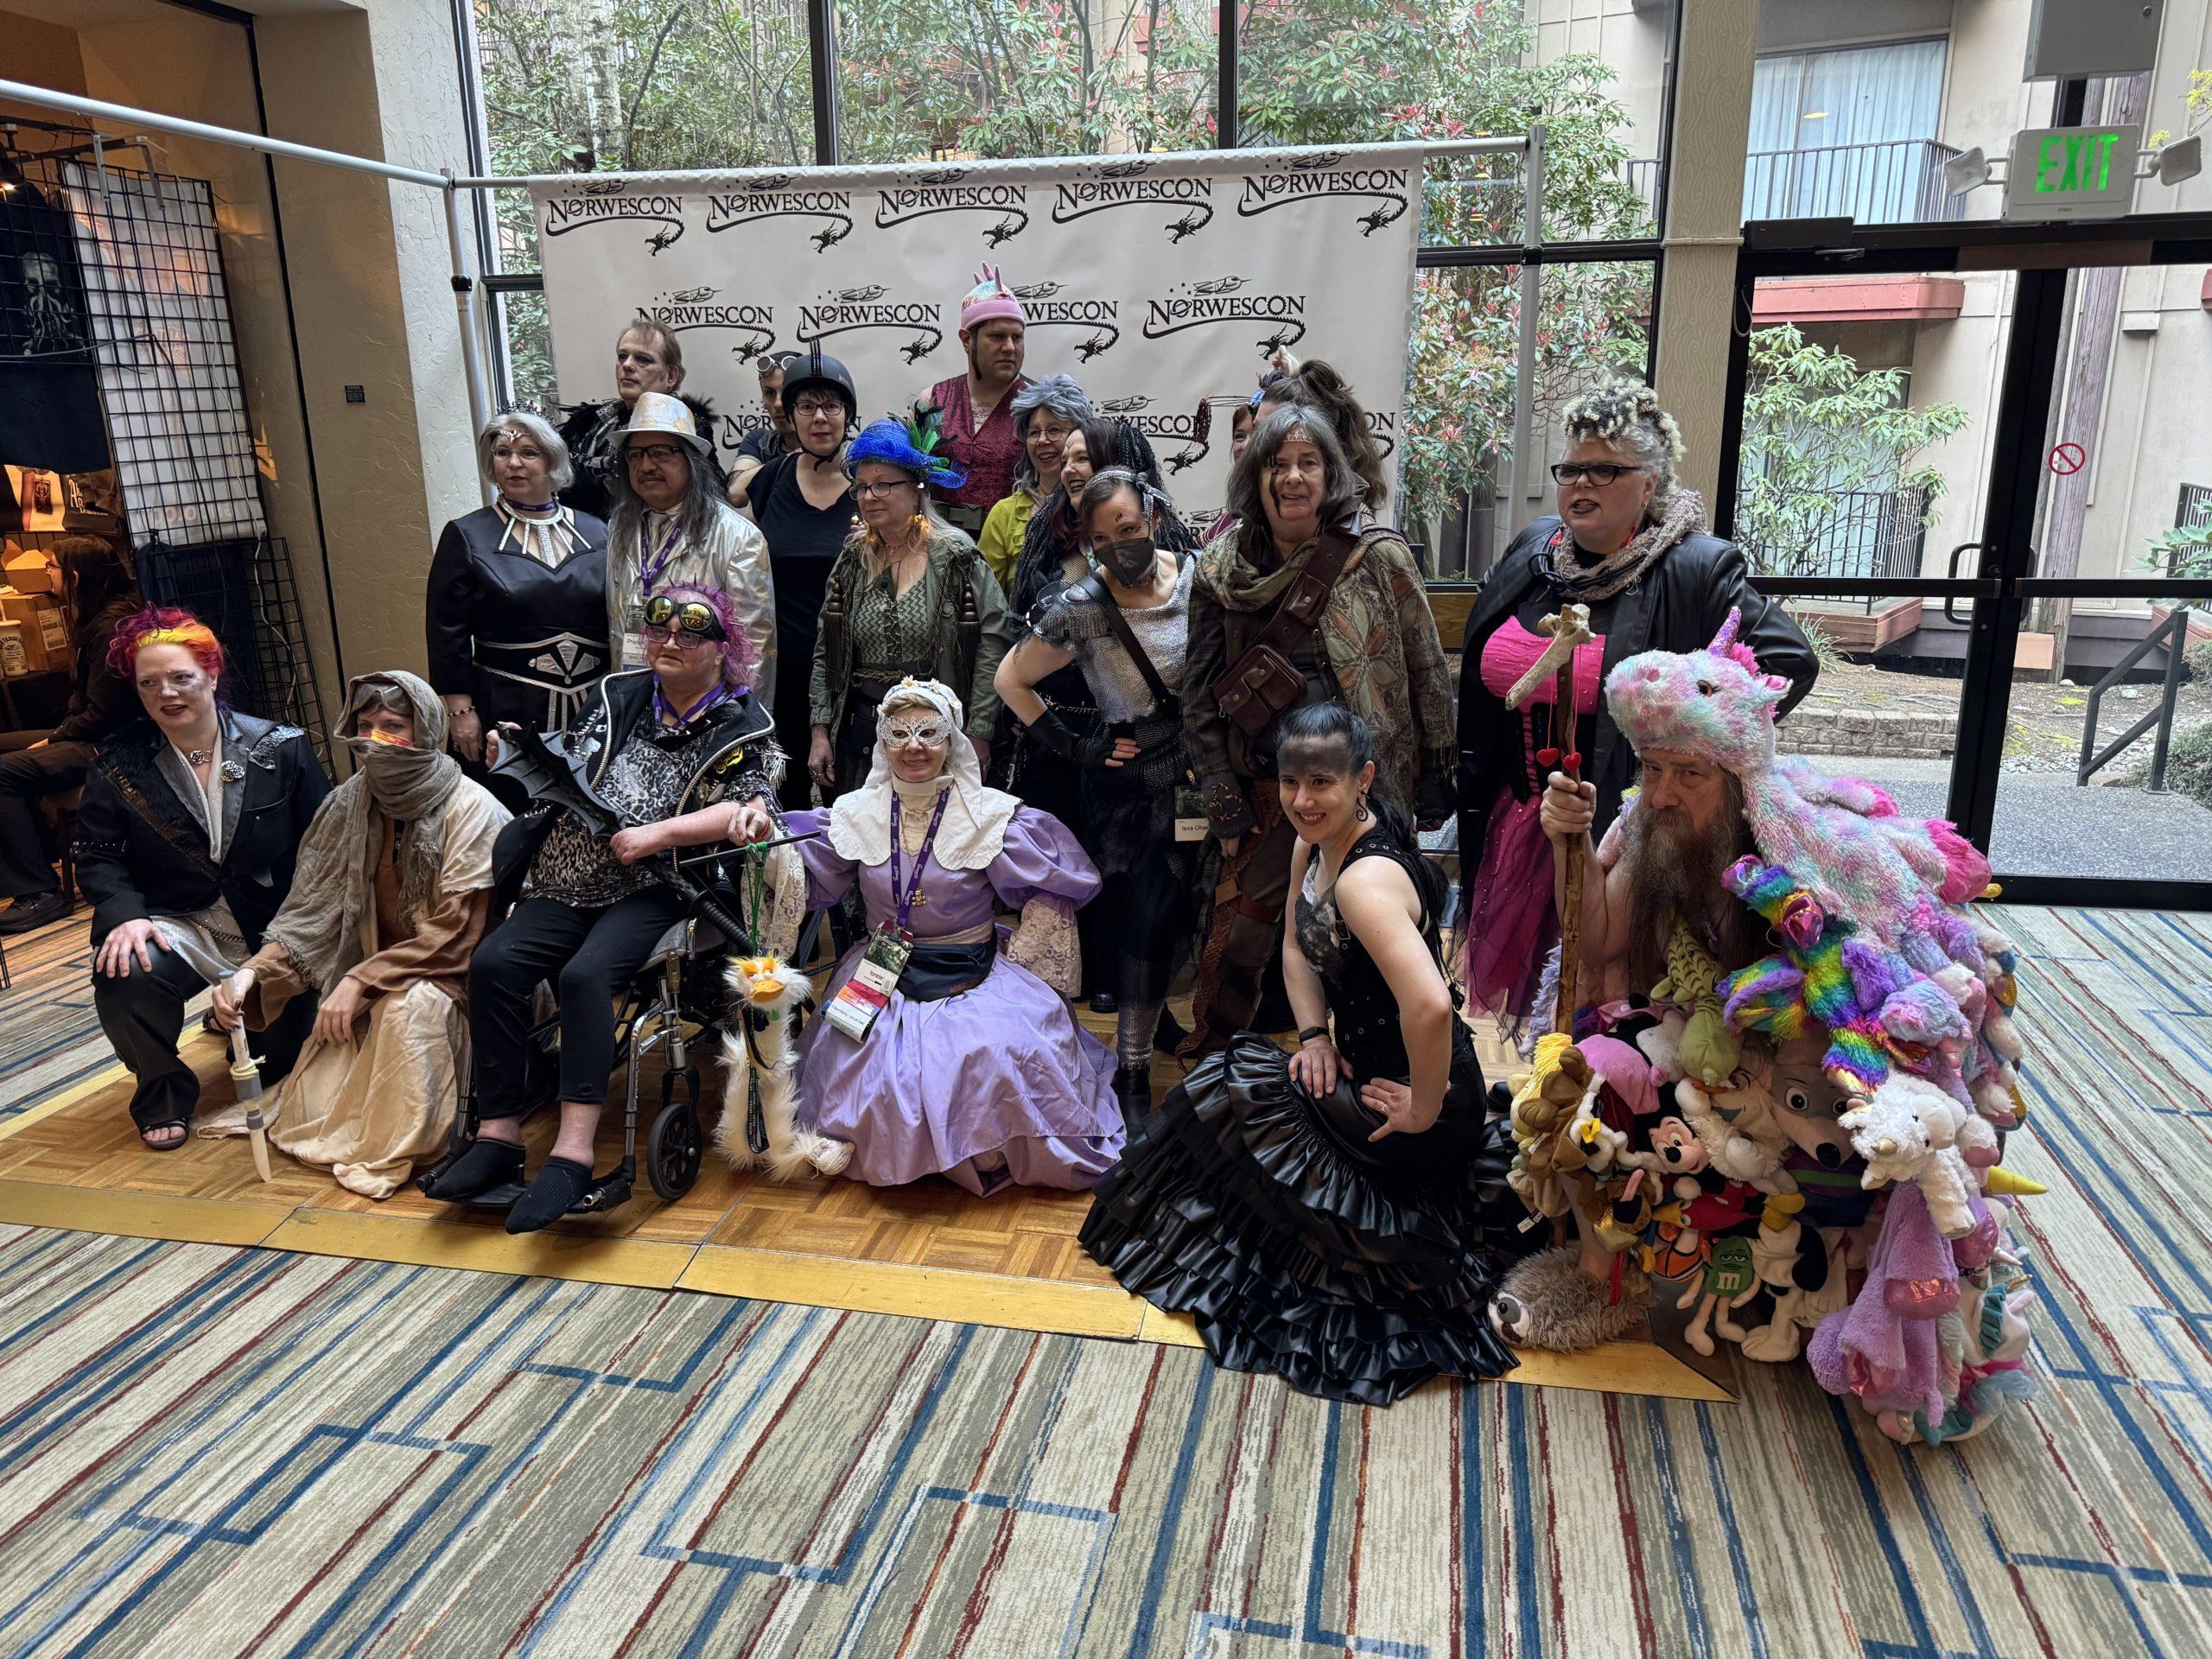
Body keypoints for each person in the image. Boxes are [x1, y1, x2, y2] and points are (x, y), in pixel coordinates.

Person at [1491, 621, 2038, 1446]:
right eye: (1654, 768)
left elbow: (1872, 993)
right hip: (1708, 1042)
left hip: (1823, 1065)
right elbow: (1601, 945)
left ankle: (1853, 1293)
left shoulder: (1808, 848)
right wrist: (1573, 843)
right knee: (1585, 1086)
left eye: (1689, 773)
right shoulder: (1649, 825)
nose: (1666, 790)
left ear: (1736, 774)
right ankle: (1604, 1277)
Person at [1082, 704, 1524, 1406]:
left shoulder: (1362, 881)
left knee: (1228, 1085)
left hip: (1417, 1109)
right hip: (1368, 1069)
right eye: (1291, 782)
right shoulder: (1313, 845)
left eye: (1322, 782)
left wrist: (1424, 1107)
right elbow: (1294, 944)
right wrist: (1315, 1035)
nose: (1302, 800)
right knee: (1245, 1088)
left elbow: (1435, 1006)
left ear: (1363, 779)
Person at [1456, 381, 1816, 1026]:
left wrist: (1691, 739)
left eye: (1606, 469)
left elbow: (1788, 662)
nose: (1580, 483)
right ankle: (1550, 1084)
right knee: (1540, 977)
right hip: (1521, 815)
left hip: (1623, 826)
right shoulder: (1536, 552)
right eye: (1571, 468)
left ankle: (1598, 1097)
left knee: (1611, 981)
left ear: (1648, 485)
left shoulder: (1696, 568)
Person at [423, 583, 780, 1232]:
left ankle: (573, 1152)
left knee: (586, 977)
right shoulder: (620, 692)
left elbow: (750, 804)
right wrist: (523, 751)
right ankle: (499, 1137)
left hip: (660, 884)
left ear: (723, 648)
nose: (670, 642)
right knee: (495, 964)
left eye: (690, 634)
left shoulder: (742, 720)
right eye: (660, 628)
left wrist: (662, 833)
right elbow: (578, 752)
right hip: (572, 869)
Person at [756, 679, 1123, 1192]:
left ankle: (984, 1144)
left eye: (929, 732)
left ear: (952, 740)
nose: (914, 746)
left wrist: (1034, 943)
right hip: (881, 970)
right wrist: (763, 836)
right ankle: (860, 1135)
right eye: (899, 733)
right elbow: (801, 863)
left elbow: (1053, 882)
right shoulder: (856, 813)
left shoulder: (989, 815)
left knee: (991, 1054)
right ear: (882, 741)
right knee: (861, 1059)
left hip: (971, 965)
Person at [1181, 404, 1457, 1056]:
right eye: (1278, 464)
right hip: (1262, 792)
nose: (1293, 478)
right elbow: (1196, 688)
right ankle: (1227, 1067)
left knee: (1372, 938)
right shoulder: (1219, 569)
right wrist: (1217, 783)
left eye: (1309, 463)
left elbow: (1425, 667)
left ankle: (1396, 1071)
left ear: (1331, 474)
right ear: (1256, 475)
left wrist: (1439, 774)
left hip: (1366, 784)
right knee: (1242, 936)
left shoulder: (1376, 557)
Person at [203, 673, 509, 1198]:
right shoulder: (349, 802)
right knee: (319, 1094)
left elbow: (460, 935)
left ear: (426, 729)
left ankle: (399, 1146)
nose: (375, 739)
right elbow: (311, 914)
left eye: (393, 726)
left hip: (459, 981)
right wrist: (252, 974)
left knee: (408, 1011)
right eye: (365, 726)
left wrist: (361, 981)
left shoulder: (471, 808)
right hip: (375, 973)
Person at [74, 607, 330, 1149]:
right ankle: (161, 1090)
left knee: (287, 1063)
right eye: (149, 683)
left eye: (181, 677)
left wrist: (304, 936)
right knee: (125, 970)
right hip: (180, 919)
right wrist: (125, 916)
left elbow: (326, 846)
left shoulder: (281, 747)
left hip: (275, 927)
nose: (166, 693)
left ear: (212, 676)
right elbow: (98, 855)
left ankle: (247, 1016)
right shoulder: (118, 762)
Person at [997, 468, 1197, 1109]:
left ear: (1156, 520)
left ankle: (1190, 1040)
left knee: (1199, 923)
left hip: (1205, 774)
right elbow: (1010, 680)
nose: (1119, 547)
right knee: (1143, 924)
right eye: (1103, 538)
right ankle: (1131, 1071)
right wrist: (1079, 748)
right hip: (1133, 791)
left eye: (1130, 530)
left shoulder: (1198, 579)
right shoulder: (1080, 606)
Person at [808, 418, 1012, 798]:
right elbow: (826, 650)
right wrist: (821, 730)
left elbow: (993, 643)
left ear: (917, 488)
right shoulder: (853, 558)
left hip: (936, 742)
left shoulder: (956, 556)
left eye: (883, 484)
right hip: (862, 735)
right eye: (862, 487)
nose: (870, 496)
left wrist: (979, 731)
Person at [425, 412, 610, 807]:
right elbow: (447, 630)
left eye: (528, 452)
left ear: (553, 462)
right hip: (506, 710)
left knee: (593, 820)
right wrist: (460, 712)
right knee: (508, 824)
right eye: (502, 452)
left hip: (593, 710)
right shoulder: (467, 535)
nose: (513, 463)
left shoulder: (599, 531)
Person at [731, 346, 857, 810]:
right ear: (791, 415)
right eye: (807, 406)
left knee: (849, 798)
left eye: (831, 406)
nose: (820, 417)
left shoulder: (873, 482)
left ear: (848, 413)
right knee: (781, 797)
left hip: (853, 674)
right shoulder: (770, 479)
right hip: (783, 672)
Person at [0, 537, 142, 934]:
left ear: (74, 576)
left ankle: (40, 892)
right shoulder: (98, 616)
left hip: (113, 742)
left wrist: (58, 736)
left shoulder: (112, 624)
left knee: (2, 772)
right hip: (95, 731)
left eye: (52, 567)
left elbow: (105, 714)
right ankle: (30, 862)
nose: (48, 573)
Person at [603, 390, 777, 703]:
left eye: (660, 452)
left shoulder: (738, 538)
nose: (646, 465)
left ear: (692, 460)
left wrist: (744, 731)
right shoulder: (621, 527)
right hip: (630, 699)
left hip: (704, 712)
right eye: (635, 455)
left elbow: (755, 653)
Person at [557, 315, 726, 519]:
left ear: (671, 376)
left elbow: (707, 500)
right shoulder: (588, 423)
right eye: (622, 356)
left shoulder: (688, 426)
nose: (627, 365)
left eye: (643, 359)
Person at [918, 265, 1031, 533]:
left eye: (1017, 337)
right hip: (938, 553)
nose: (1009, 347)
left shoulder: (1040, 406)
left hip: (1013, 555)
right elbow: (908, 484)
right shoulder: (931, 401)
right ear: (967, 339)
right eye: (997, 336)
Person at [976, 375, 1091, 594]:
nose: (1042, 440)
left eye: (1054, 430)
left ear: (1079, 436)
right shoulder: (1004, 514)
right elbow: (987, 601)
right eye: (1034, 432)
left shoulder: (1106, 503)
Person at [1255, 359, 1389, 516]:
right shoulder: (1240, 530)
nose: (1249, 446)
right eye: (1257, 430)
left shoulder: (1360, 536)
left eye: (1270, 433)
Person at [728, 350, 798, 499]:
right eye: (770, 393)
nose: (778, 403)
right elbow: (735, 493)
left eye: (787, 392)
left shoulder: (831, 446)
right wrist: (800, 456)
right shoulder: (760, 442)